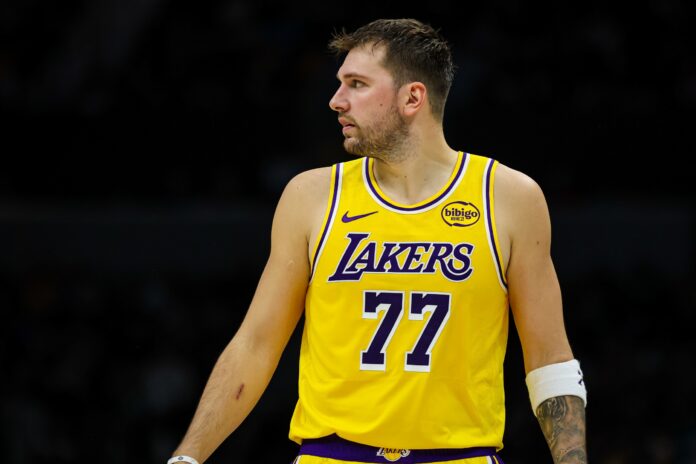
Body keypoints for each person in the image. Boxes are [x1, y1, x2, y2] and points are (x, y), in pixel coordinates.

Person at [168, 18, 588, 464]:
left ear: (412, 98)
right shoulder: (311, 196)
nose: (336, 100)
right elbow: (255, 344)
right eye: (340, 84)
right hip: (331, 455)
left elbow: (549, 357)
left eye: (357, 84)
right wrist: (187, 457)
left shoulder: (508, 197)